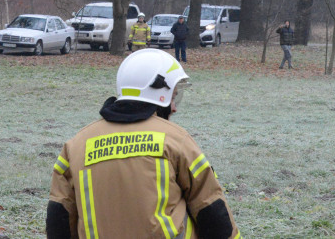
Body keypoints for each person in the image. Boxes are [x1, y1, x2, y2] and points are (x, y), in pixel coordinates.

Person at [47, 48, 240, 239]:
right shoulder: (175, 140)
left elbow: (59, 217)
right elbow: (210, 208)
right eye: (173, 98)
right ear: (157, 95)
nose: (174, 108)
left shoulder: (76, 145)